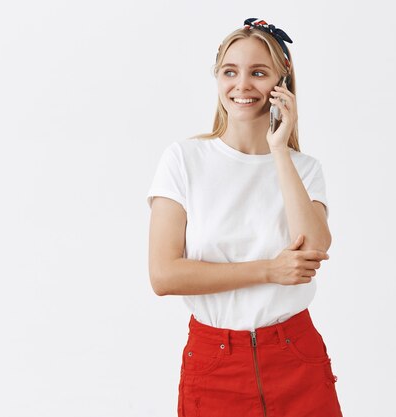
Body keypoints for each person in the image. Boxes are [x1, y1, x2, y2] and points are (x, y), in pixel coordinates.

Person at [146, 18, 344, 416]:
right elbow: (164, 276)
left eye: (258, 73)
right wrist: (270, 270)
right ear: (217, 78)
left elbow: (316, 247)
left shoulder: (304, 168)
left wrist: (279, 149)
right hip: (214, 361)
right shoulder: (184, 160)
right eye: (230, 72)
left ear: (281, 82)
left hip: (295, 355)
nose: (242, 85)